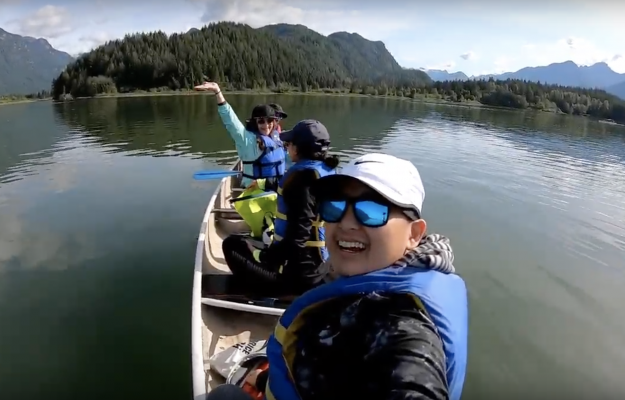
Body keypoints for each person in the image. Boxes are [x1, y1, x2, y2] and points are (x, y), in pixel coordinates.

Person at [208, 153, 469, 400]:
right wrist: (266, 381)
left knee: (223, 395)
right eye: (334, 207)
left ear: (414, 234)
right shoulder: (377, 277)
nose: (346, 223)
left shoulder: (403, 325)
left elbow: (411, 376)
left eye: (372, 211)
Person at [221, 120, 340, 296]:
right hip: (319, 267)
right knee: (256, 241)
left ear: (298, 149)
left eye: (289, 143)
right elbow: (288, 185)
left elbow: (299, 236)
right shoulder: (324, 171)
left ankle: (259, 291)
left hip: (296, 277)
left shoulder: (302, 182)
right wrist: (263, 182)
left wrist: (262, 256)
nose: (286, 147)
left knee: (232, 245)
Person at [194, 81, 285, 190]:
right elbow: (230, 121)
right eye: (261, 121)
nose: (266, 125)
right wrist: (217, 91)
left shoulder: (276, 138)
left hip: (276, 192)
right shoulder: (247, 140)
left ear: (274, 122)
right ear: (254, 122)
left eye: (270, 120)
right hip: (255, 197)